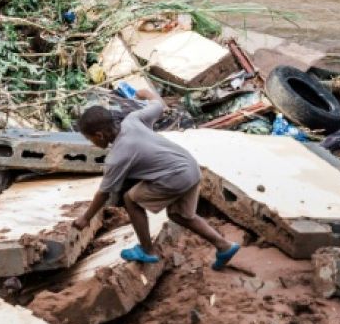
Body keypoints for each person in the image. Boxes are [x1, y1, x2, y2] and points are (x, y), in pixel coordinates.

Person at [73, 89, 241, 269]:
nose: (92, 143)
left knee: (131, 199)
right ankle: (224, 246)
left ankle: (147, 250)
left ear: (100, 135)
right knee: (180, 215)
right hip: (190, 167)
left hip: (175, 176)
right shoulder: (133, 120)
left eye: (90, 139)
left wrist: (85, 218)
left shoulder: (117, 156)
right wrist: (146, 94)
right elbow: (159, 105)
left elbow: (104, 193)